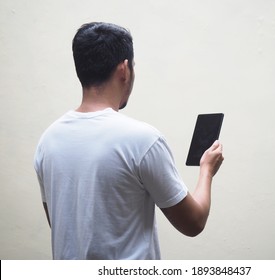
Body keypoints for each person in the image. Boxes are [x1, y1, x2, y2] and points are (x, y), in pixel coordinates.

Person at [34, 22, 224, 260]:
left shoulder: (48, 140)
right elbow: (193, 223)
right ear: (124, 69)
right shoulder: (143, 141)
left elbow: (61, 224)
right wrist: (206, 169)